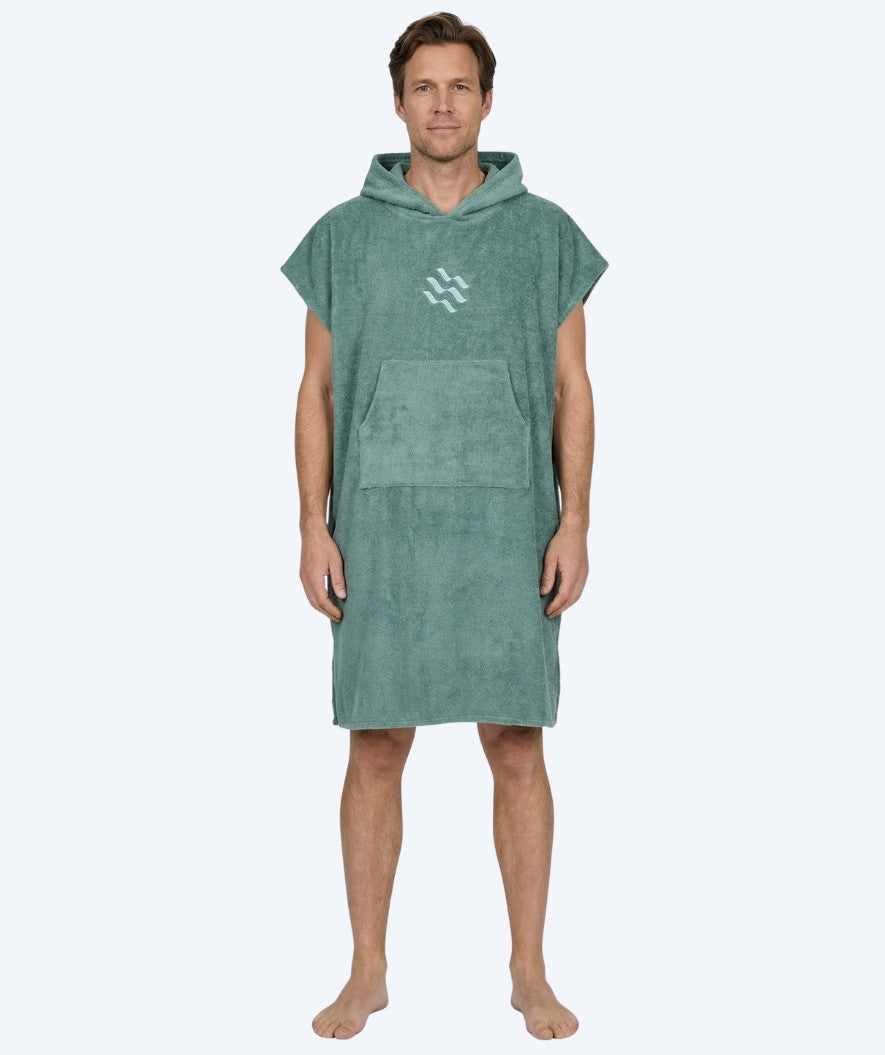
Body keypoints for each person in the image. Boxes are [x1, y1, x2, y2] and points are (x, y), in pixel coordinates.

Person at [280, 11, 608, 1041]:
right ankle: (367, 968)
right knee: (376, 743)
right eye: (423, 86)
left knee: (516, 743)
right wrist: (311, 525)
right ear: (397, 102)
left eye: (460, 85)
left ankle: (528, 968)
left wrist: (575, 522)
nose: (442, 104)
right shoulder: (342, 235)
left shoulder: (545, 233)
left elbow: (573, 386)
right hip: (380, 529)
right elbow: (315, 388)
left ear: (488, 101)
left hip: (508, 525)